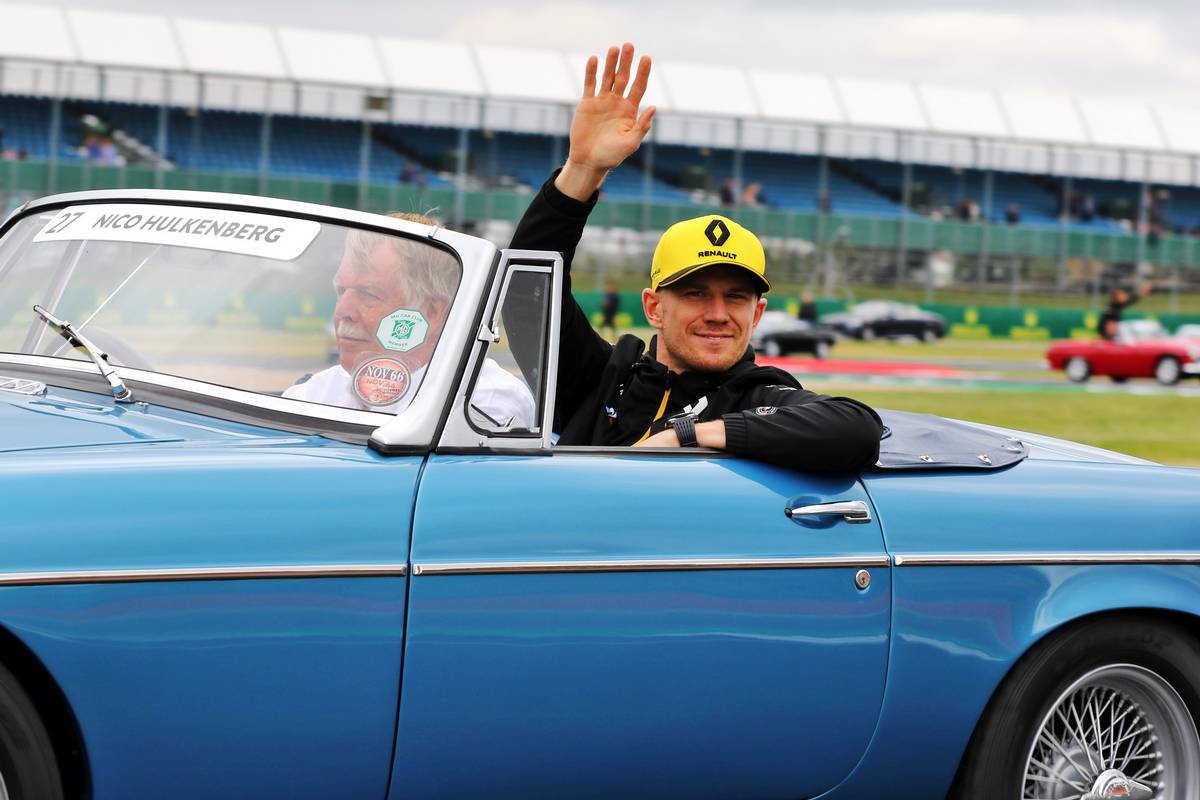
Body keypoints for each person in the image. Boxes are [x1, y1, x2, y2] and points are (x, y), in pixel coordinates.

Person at [507, 43, 881, 473]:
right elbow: (525, 291)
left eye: (736, 297)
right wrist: (583, 169)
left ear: (757, 313)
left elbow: (858, 428)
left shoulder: (756, 397)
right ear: (654, 307)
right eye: (696, 293)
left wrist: (691, 434)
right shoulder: (601, 379)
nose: (719, 313)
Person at [285, 212, 536, 426]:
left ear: (431, 313)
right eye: (341, 290)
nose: (342, 312)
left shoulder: (482, 401)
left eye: (369, 294)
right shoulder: (318, 390)